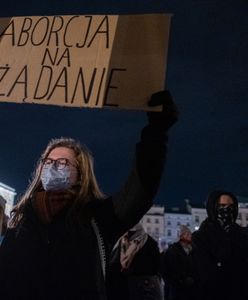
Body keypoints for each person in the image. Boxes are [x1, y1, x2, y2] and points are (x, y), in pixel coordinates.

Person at [0, 90, 178, 300]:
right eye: (48, 162)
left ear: (80, 174)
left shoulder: (98, 217)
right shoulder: (21, 218)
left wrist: (156, 133)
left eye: (63, 163)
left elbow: (140, 190)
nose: (53, 167)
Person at [192, 190, 248, 300]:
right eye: (222, 205)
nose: (227, 209)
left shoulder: (242, 234)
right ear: (213, 207)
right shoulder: (201, 236)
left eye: (231, 206)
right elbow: (205, 273)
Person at [107, 223, 163, 300]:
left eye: (131, 232)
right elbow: (113, 261)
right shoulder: (122, 241)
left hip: (141, 287)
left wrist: (133, 270)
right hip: (121, 287)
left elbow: (154, 267)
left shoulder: (150, 243)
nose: (127, 234)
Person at [161, 225, 196, 300]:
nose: (190, 236)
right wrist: (181, 279)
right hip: (177, 289)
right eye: (187, 234)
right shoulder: (173, 250)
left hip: (190, 289)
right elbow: (169, 269)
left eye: (190, 234)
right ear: (181, 236)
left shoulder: (192, 249)